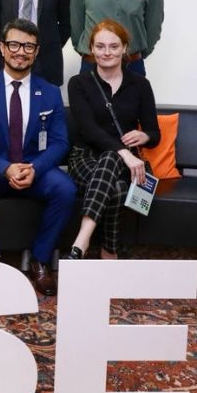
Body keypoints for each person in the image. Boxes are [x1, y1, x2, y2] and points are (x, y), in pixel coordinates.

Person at [0, 18, 77, 296]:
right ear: (2, 48)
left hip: (34, 166)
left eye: (28, 46)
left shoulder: (49, 92)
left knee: (66, 189)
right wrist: (5, 168)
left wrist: (35, 168)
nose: (20, 51)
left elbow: (61, 143)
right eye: (14, 44)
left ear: (36, 52)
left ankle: (40, 258)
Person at [64, 19, 160, 260]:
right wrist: (126, 153)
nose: (107, 52)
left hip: (123, 166)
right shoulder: (79, 83)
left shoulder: (140, 85)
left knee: (112, 164)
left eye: (114, 46)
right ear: (92, 49)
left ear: (125, 48)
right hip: (85, 157)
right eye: (100, 46)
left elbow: (154, 133)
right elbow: (88, 130)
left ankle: (80, 244)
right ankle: (109, 252)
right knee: (115, 186)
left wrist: (144, 134)